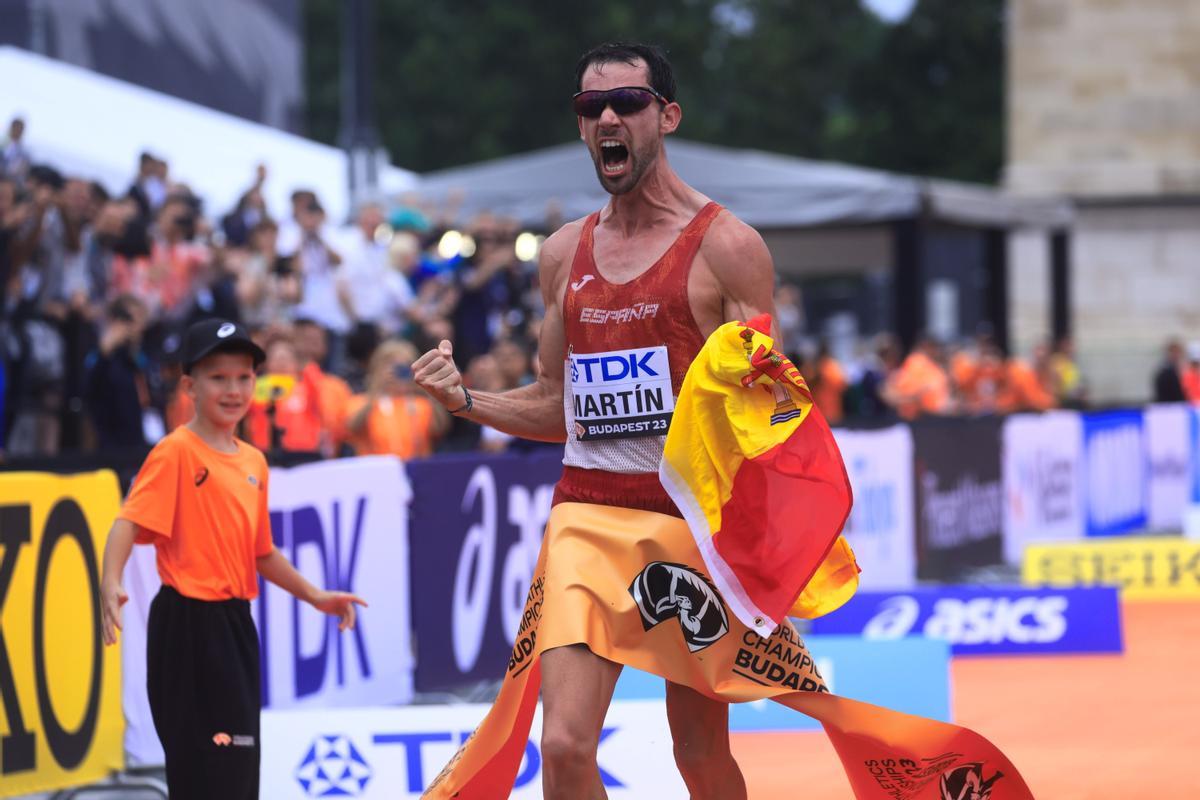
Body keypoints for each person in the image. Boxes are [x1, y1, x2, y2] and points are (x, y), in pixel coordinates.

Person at [415, 42, 772, 799]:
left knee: (699, 753)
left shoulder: (729, 248)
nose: (608, 117)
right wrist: (467, 402)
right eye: (591, 108)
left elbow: (770, 414)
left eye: (628, 104)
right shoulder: (562, 253)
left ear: (666, 116)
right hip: (587, 516)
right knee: (567, 746)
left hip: (687, 524)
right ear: (582, 128)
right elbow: (556, 405)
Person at [98, 318, 365, 800]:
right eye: (218, 377)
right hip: (186, 627)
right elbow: (127, 521)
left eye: (244, 377)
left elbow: (259, 551)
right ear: (189, 386)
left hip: (234, 628)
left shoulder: (253, 462)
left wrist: (316, 595)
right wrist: (110, 581)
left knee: (239, 771)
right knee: (204, 772)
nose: (234, 389)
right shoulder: (176, 451)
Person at [344, 339, 448, 459]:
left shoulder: (421, 404)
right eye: (392, 365)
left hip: (414, 471)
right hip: (374, 472)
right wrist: (377, 387)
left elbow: (440, 429)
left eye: (405, 367)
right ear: (378, 367)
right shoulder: (360, 402)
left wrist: (424, 386)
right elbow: (352, 427)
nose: (399, 372)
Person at [1154, 338, 1186, 403]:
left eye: (1177, 352)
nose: (1176, 355)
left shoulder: (1182, 369)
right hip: (1169, 405)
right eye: (1174, 352)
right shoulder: (1164, 371)